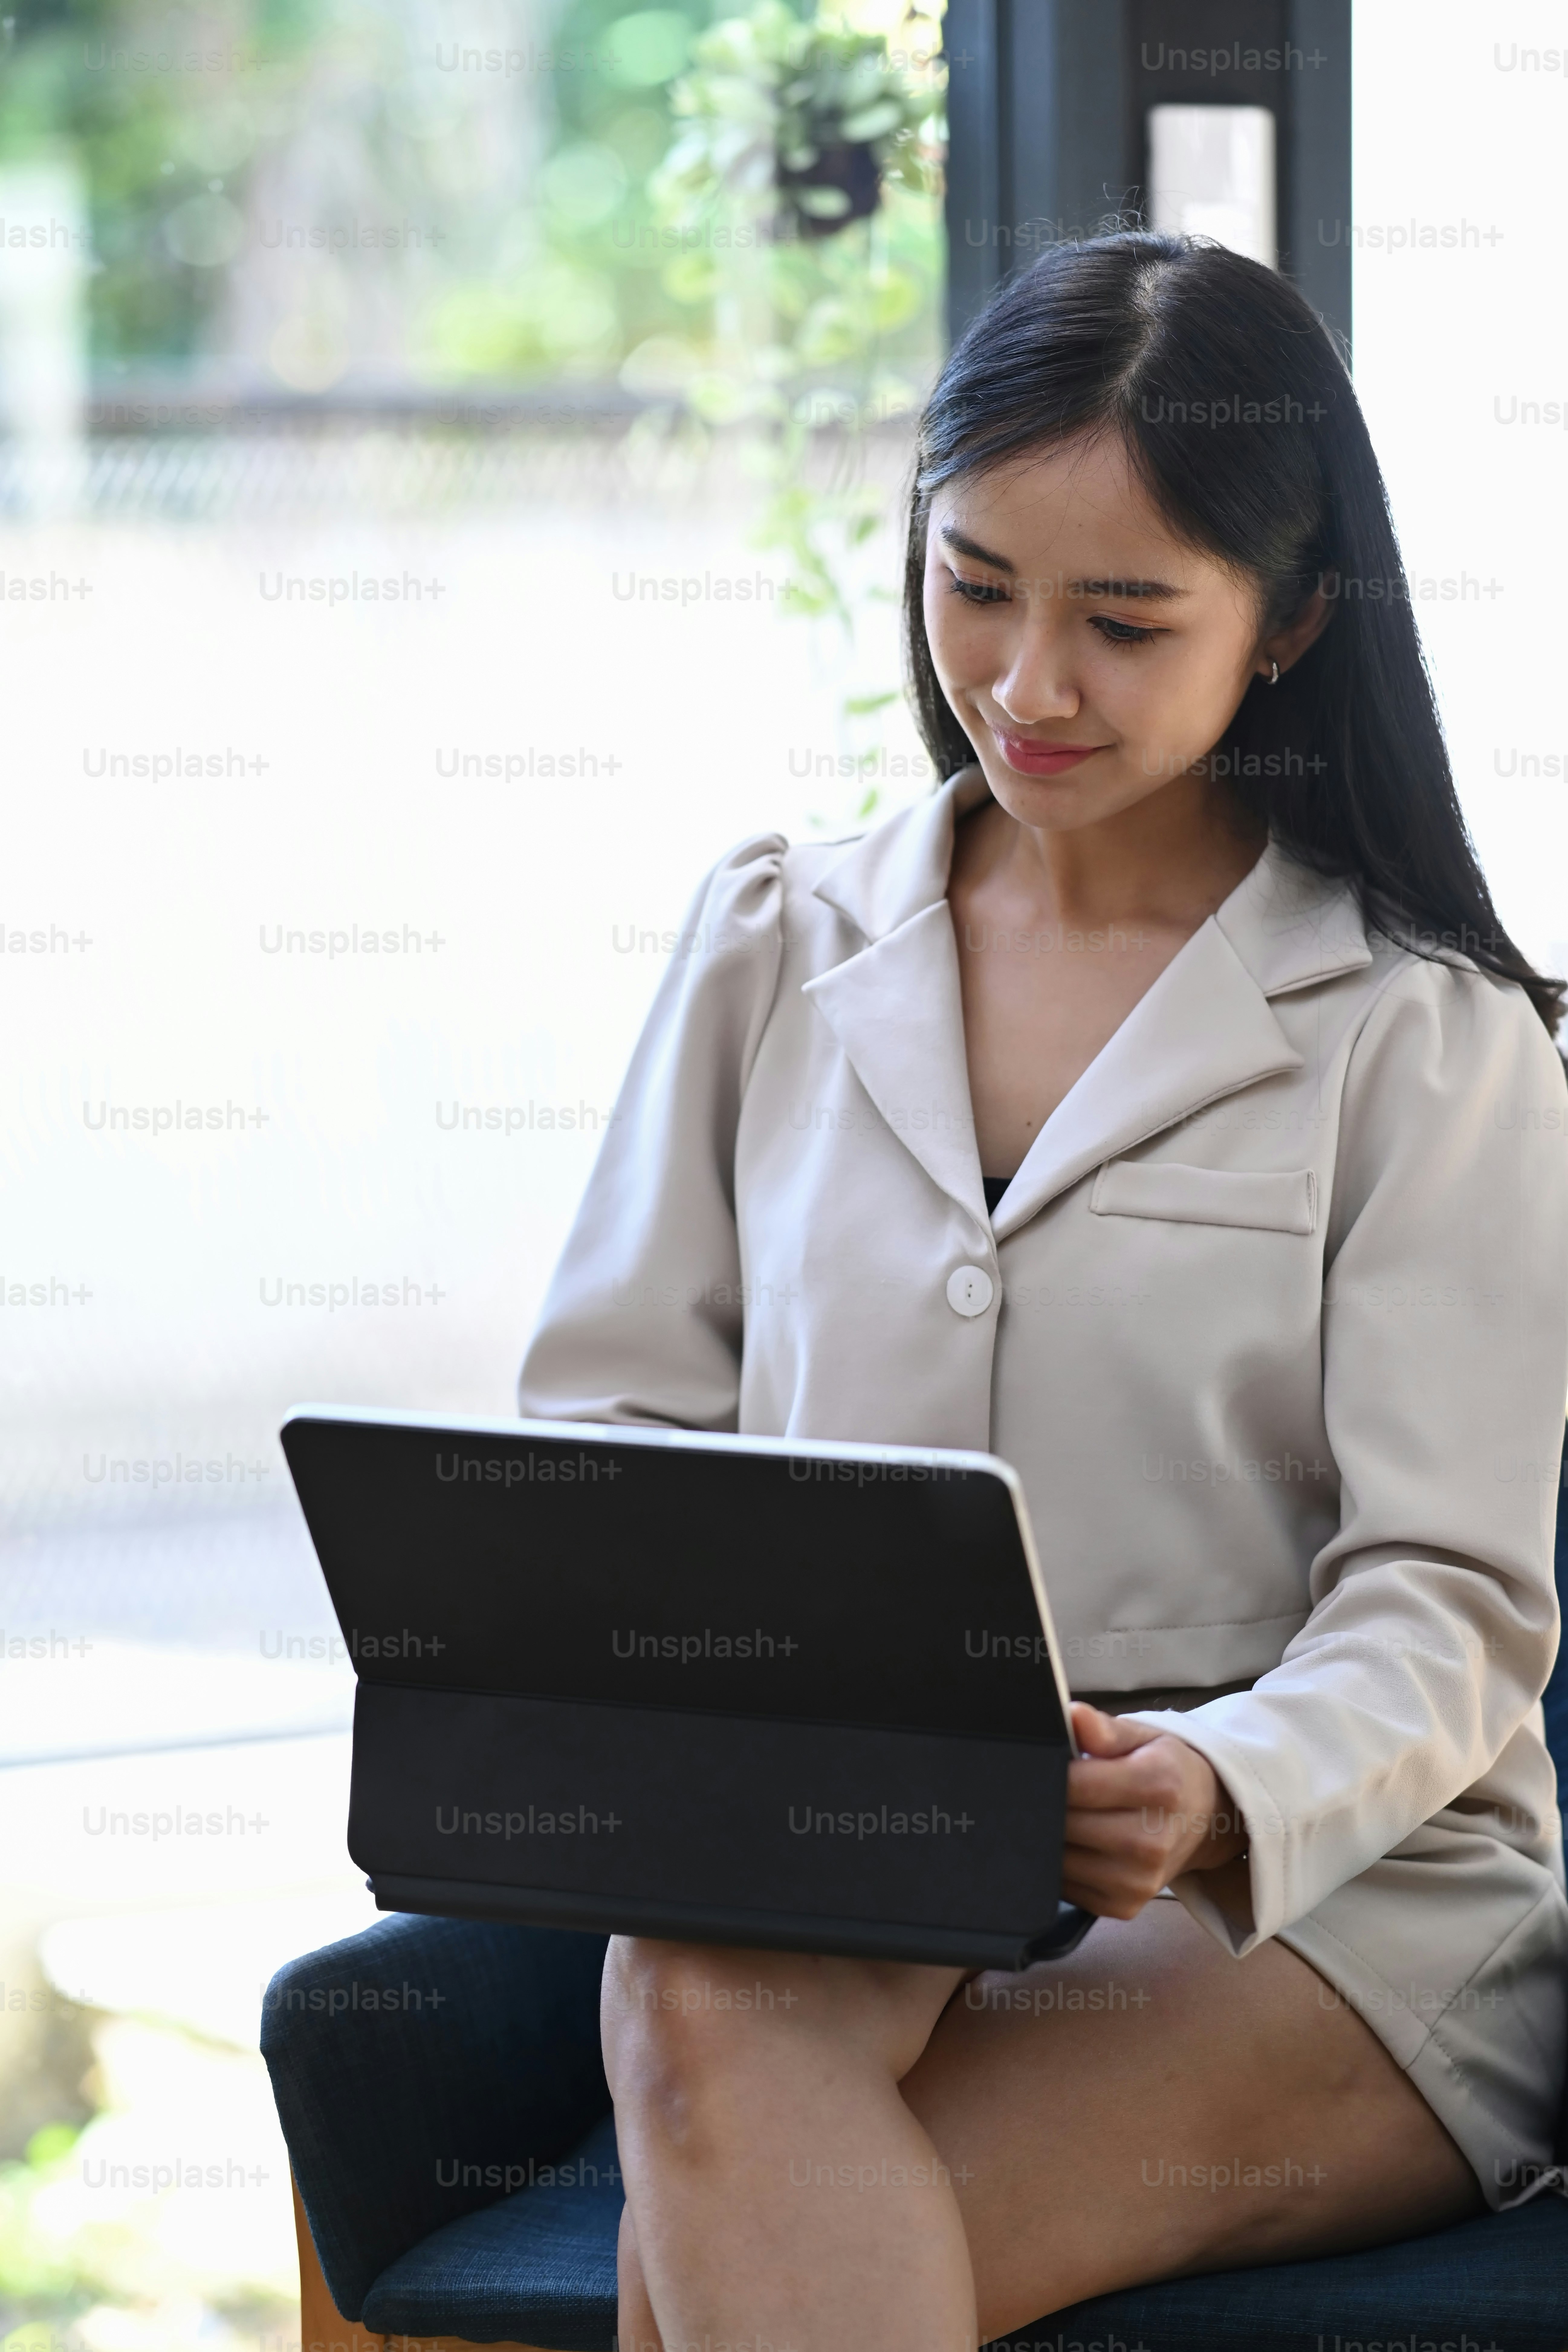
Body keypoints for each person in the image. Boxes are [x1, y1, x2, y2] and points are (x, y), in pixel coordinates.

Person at [518, 233, 1568, 2346]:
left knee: (720, 2254)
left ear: (1286, 627)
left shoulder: (1420, 1036)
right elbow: (612, 1436)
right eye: (974, 581)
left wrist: (1211, 1785)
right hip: (849, 1842)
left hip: (1321, 1903)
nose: (1023, 684)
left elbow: (1445, 1604)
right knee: (699, 2006)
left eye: (1121, 620)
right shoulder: (770, 943)